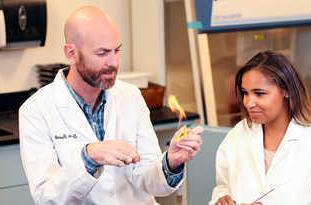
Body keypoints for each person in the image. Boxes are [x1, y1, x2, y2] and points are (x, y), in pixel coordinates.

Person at [19, 6, 203, 205]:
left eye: (117, 50)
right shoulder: (36, 111)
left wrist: (170, 163)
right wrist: (89, 157)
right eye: (102, 53)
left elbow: (147, 178)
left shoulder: (130, 96)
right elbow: (47, 197)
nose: (113, 62)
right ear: (71, 53)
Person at [210, 50, 311, 205]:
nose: (248, 103)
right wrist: (221, 200)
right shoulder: (239, 134)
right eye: (245, 93)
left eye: (259, 93)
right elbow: (223, 186)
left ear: (286, 91)